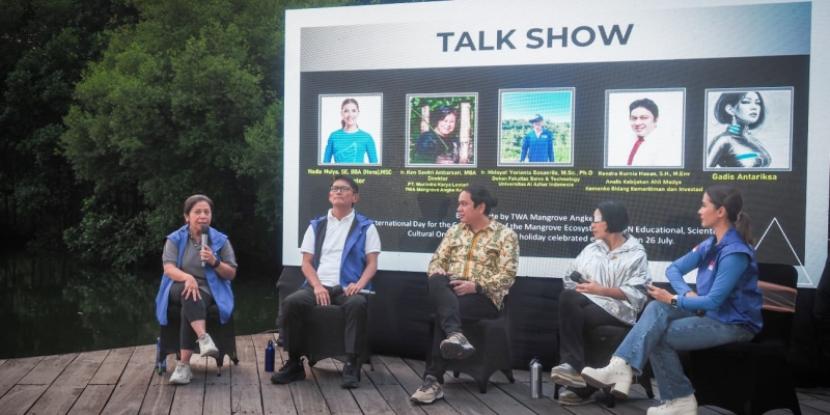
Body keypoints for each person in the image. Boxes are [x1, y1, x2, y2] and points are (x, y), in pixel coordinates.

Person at [581, 185, 762, 415]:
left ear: (721, 212)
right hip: (711, 315)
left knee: (659, 332)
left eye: (704, 205)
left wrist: (675, 299)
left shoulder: (735, 252)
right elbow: (674, 269)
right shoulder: (711, 244)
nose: (699, 210)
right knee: (656, 306)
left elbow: (714, 302)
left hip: (734, 325)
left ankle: (680, 399)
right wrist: (685, 294)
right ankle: (621, 366)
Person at [410, 185, 519, 404]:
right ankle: (455, 335)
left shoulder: (506, 235)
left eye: (463, 203)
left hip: (483, 298)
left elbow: (508, 276)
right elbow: (436, 261)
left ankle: (432, 380)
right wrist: (438, 269)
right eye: (458, 203)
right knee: (436, 280)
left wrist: (476, 286)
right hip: (450, 291)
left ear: (480, 207)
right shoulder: (454, 231)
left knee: (446, 312)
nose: (458, 208)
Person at [271, 175, 381, 389]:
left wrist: (359, 284)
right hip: (318, 286)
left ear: (355, 197)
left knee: (357, 304)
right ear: (330, 195)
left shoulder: (367, 227)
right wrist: (317, 285)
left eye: (344, 189)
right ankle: (295, 363)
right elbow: (306, 263)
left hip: (348, 288)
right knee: (292, 303)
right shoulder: (317, 225)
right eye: (335, 188)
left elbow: (372, 264)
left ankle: (351, 364)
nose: (338, 191)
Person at [550, 201, 650, 405]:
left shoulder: (636, 254)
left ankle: (575, 371)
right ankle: (579, 375)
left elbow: (638, 294)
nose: (591, 226)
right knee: (569, 298)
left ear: (610, 222)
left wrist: (601, 290)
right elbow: (569, 277)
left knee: (571, 310)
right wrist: (585, 287)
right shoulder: (591, 249)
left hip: (620, 310)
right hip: (587, 305)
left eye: (595, 221)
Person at [154, 194, 238, 385]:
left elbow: (231, 273)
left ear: (211, 215)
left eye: (206, 212)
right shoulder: (175, 238)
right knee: (187, 290)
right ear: (187, 216)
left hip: (209, 289)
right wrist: (187, 277)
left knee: (190, 299)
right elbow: (168, 268)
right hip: (177, 284)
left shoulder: (220, 240)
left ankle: (184, 366)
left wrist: (214, 261)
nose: (202, 215)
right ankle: (203, 338)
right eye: (197, 212)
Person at [707, 91, 771, 168]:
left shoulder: (753, 140)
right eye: (746, 102)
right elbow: (703, 174)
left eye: (758, 103)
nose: (754, 107)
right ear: (730, 109)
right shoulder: (724, 141)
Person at [322, 98, 378, 164]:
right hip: (339, 175)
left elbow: (375, 168)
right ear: (341, 113)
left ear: (358, 113)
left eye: (353, 111)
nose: (350, 115)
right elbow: (324, 165)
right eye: (346, 111)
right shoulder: (333, 136)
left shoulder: (367, 137)